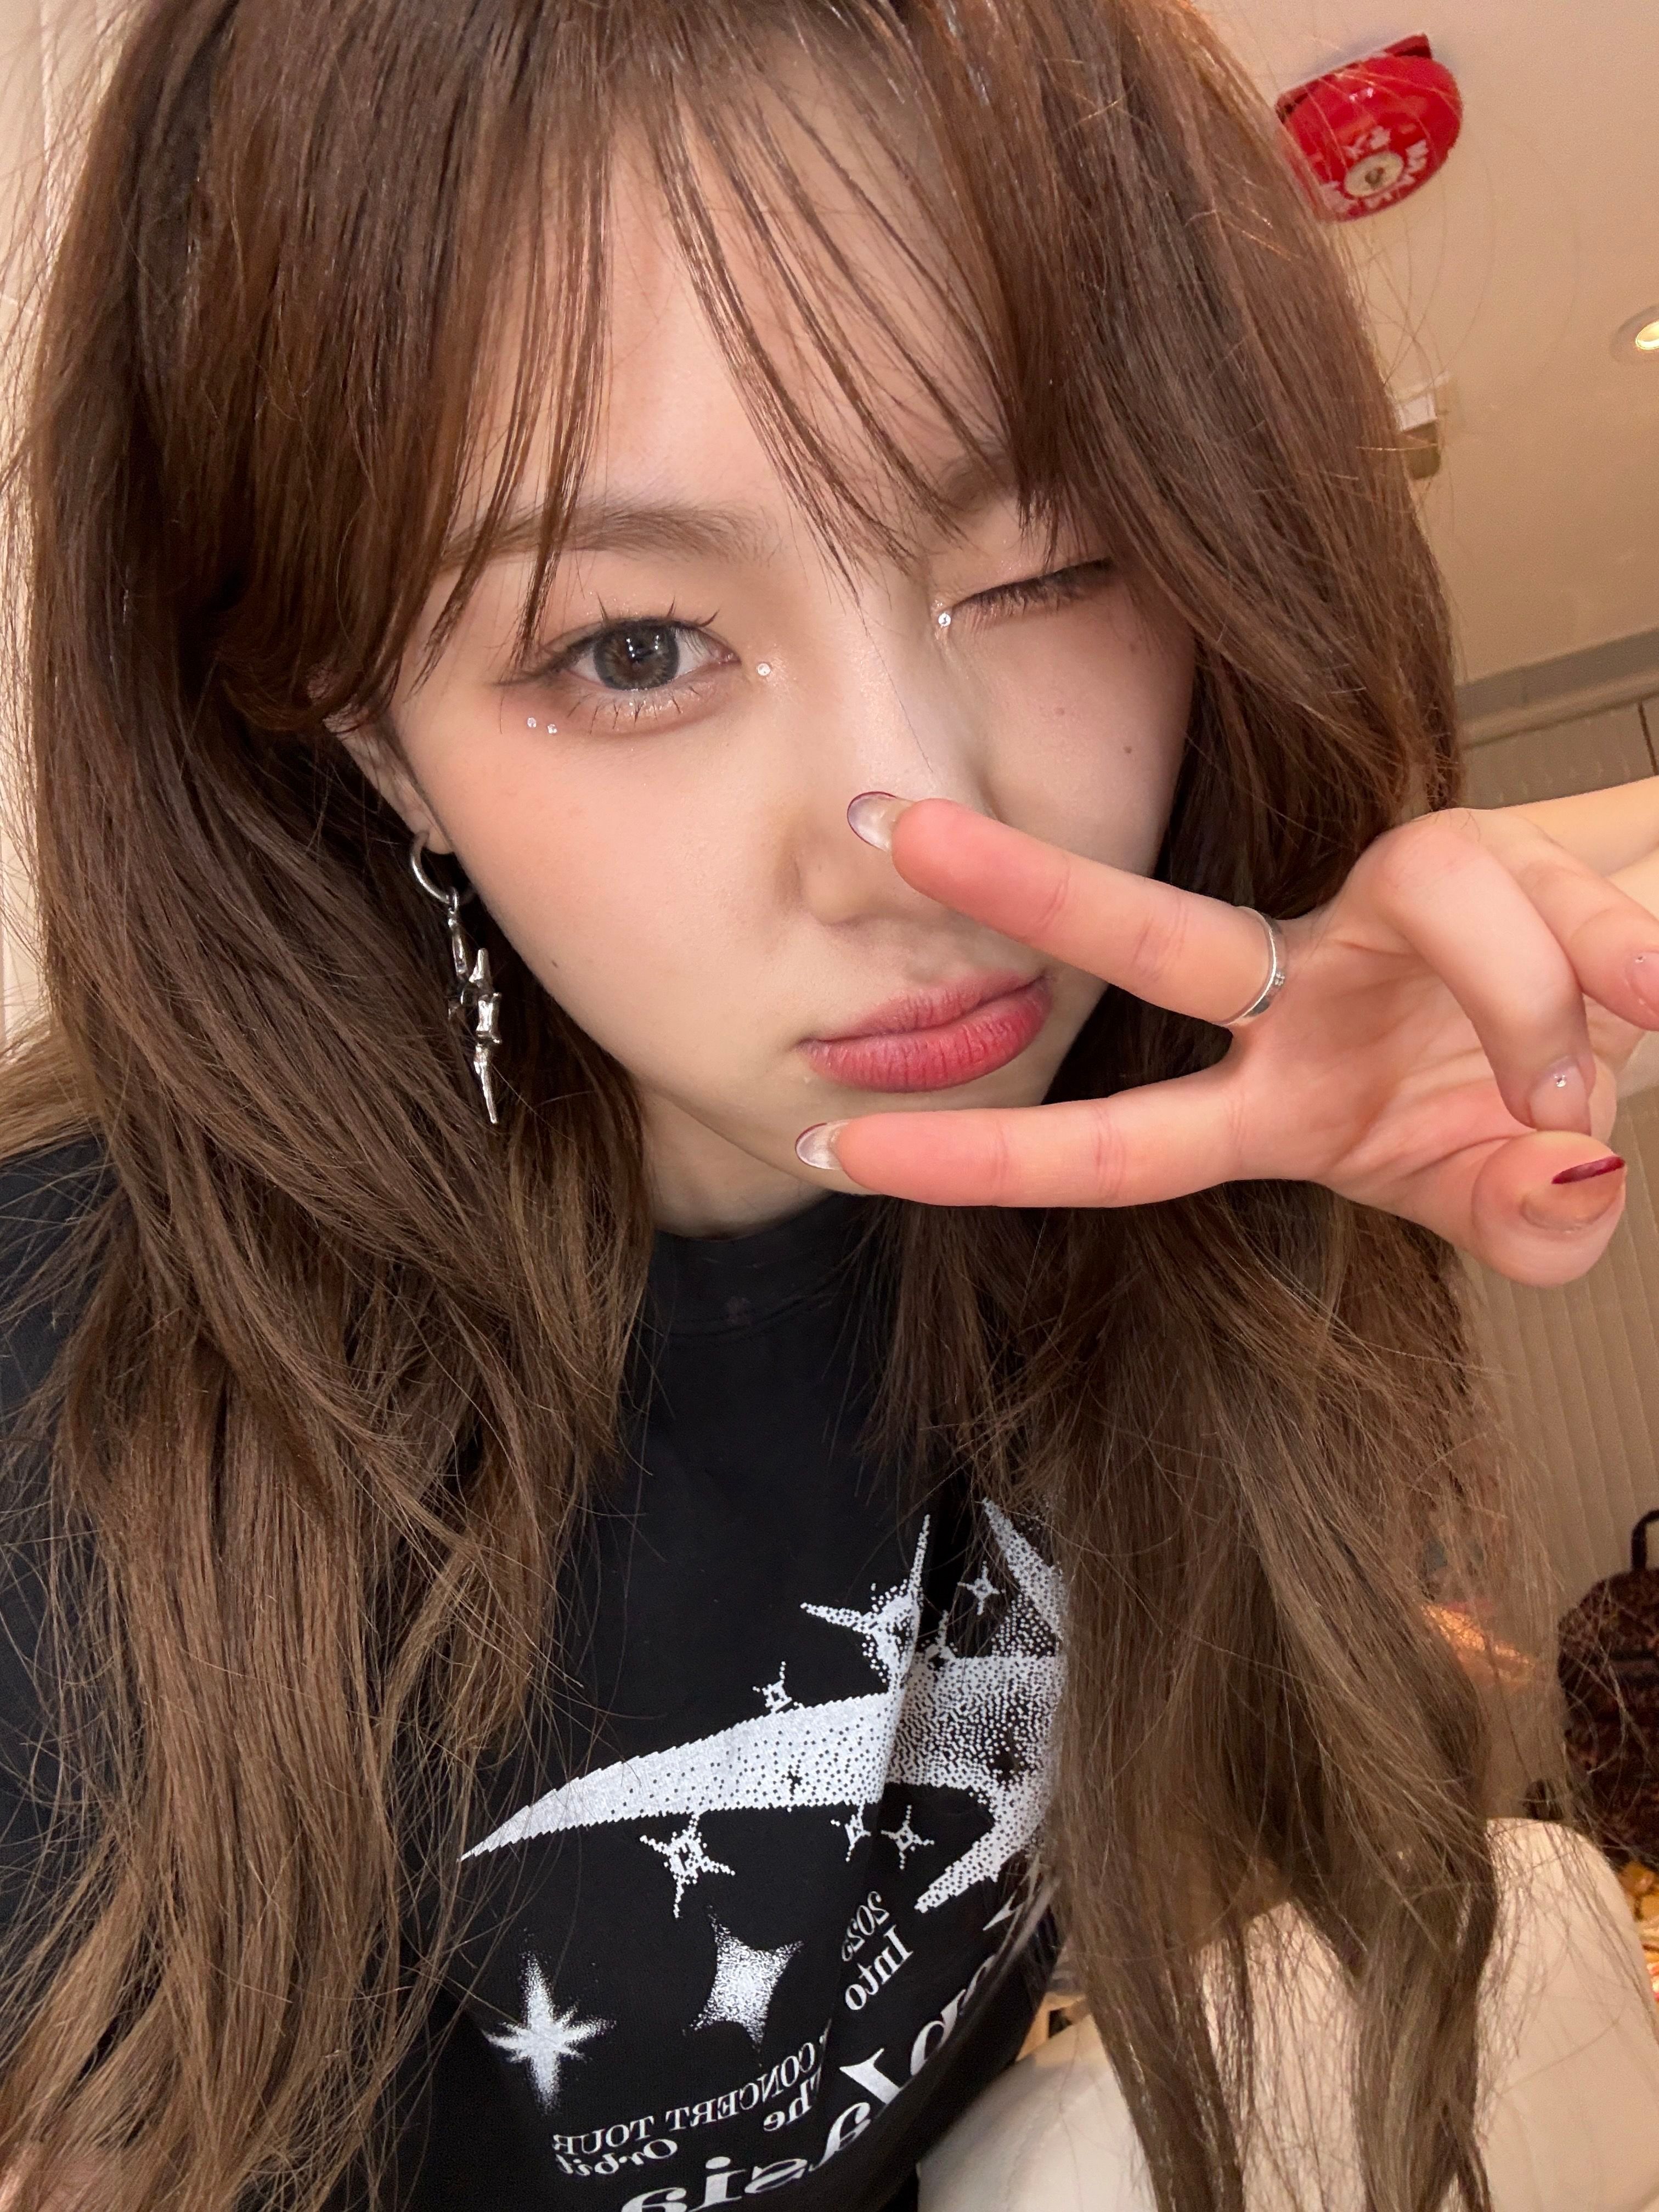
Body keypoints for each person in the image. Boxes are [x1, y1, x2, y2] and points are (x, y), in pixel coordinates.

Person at [0, 1, 1656, 2208]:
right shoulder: (77, 1387)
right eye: (632, 647)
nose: (926, 845)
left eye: (1050, 560)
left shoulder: (1177, 1118)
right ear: (372, 736)